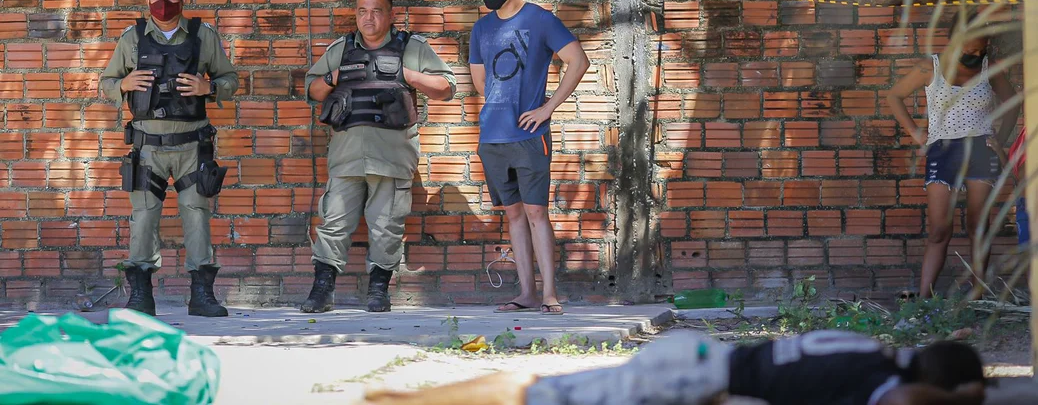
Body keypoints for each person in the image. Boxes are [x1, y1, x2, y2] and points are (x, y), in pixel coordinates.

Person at [301, 0, 456, 313]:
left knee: (387, 226)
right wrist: (335, 76)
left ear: (391, 15)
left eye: (376, 11)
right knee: (334, 222)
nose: (368, 18)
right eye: (362, 11)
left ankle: (379, 289)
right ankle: (322, 289)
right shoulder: (341, 49)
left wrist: (406, 74)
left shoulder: (412, 48)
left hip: (392, 155)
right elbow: (313, 90)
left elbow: (446, 87)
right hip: (347, 155)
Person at [100, 0, 239, 317]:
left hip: (193, 146)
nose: (164, 1)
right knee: (144, 219)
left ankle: (202, 296)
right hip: (147, 148)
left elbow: (230, 79)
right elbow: (105, 82)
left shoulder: (203, 36)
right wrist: (124, 83)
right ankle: (141, 297)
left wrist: (209, 88)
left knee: (197, 217)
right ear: (148, 0)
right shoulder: (132, 38)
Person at [361, 329, 988, 405]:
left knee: (545, 391)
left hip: (701, 363)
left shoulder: (868, 347)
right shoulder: (886, 384)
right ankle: (410, 402)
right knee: (537, 393)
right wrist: (969, 398)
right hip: (694, 372)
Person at [468, 0, 590, 316]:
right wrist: (498, 106)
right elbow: (480, 81)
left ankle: (550, 294)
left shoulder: (539, 19)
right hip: (492, 137)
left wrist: (547, 107)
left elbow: (578, 60)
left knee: (537, 211)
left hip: (528, 134)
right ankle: (527, 293)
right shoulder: (481, 28)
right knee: (514, 214)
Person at [888, 15, 1018, 299]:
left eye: (980, 51)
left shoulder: (989, 68)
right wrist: (915, 133)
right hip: (943, 151)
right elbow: (894, 96)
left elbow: (1012, 103)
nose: (975, 56)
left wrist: (1000, 139)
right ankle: (924, 299)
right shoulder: (929, 67)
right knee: (939, 230)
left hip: (981, 151)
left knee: (978, 226)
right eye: (969, 50)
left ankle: (978, 297)